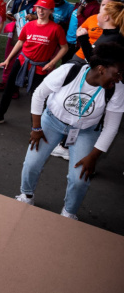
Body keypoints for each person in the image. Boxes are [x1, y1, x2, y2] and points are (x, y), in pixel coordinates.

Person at [16, 43, 124, 220]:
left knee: (80, 178)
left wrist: (93, 156)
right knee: (32, 162)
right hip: (51, 121)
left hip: (86, 131)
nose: (119, 79)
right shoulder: (69, 71)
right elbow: (39, 95)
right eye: (117, 73)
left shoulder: (117, 90)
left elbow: (111, 127)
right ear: (101, 69)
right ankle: (26, 196)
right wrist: (36, 128)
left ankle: (69, 213)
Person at [0, 0, 68, 126]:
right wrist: (8, 59)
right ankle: (0, 115)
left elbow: (64, 48)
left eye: (45, 9)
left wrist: (52, 62)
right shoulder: (29, 25)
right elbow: (20, 42)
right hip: (22, 61)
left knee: (36, 97)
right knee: (9, 89)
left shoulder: (56, 29)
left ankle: (35, 126)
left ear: (51, 11)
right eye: (39, 8)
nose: (41, 11)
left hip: (40, 66)